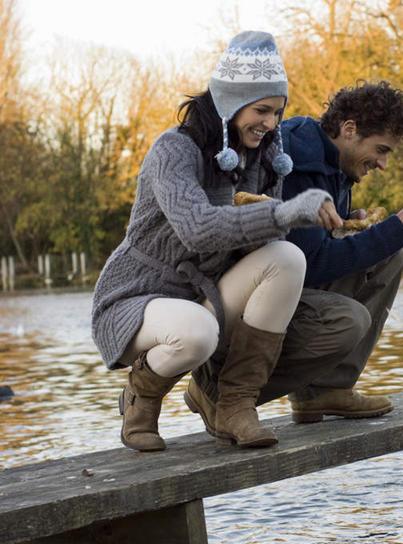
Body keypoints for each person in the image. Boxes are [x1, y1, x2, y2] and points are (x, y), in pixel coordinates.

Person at [91, 30, 342, 452]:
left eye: (278, 113)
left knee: (287, 257)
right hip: (135, 297)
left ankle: (236, 403)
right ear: (229, 102)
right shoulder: (173, 150)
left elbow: (267, 236)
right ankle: (143, 394)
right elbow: (197, 228)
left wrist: (317, 216)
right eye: (261, 110)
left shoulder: (262, 160)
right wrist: (283, 211)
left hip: (203, 295)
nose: (271, 124)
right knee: (198, 332)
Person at [278, 80, 403, 422]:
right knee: (389, 247)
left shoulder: (334, 165)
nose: (383, 164)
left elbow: (314, 245)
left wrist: (346, 223)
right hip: (260, 307)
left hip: (290, 295)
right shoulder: (302, 164)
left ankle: (327, 389)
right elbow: (309, 265)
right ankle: (228, 390)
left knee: (388, 254)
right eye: (381, 149)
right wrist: (394, 228)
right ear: (349, 129)